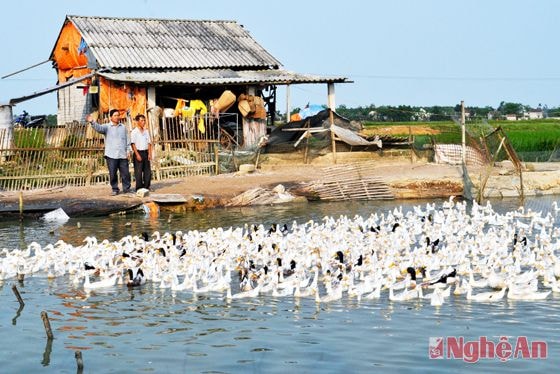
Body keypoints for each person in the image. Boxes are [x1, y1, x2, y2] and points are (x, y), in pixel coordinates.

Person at [86, 109, 132, 196]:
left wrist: (128, 150)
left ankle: (127, 189)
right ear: (110, 117)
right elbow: (99, 128)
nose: (117, 117)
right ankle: (115, 189)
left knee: (125, 173)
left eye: (118, 115)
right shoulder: (107, 127)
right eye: (115, 115)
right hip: (111, 155)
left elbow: (127, 140)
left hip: (122, 154)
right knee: (113, 173)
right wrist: (92, 122)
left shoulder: (123, 127)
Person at [130, 114, 153, 191]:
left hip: (145, 152)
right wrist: (137, 154)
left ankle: (147, 186)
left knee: (147, 171)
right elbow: (133, 144)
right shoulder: (134, 132)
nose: (143, 122)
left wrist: (149, 153)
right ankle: (139, 188)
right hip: (138, 152)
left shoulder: (146, 131)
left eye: (144, 120)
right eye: (141, 120)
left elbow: (149, 143)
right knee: (138, 172)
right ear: (137, 121)